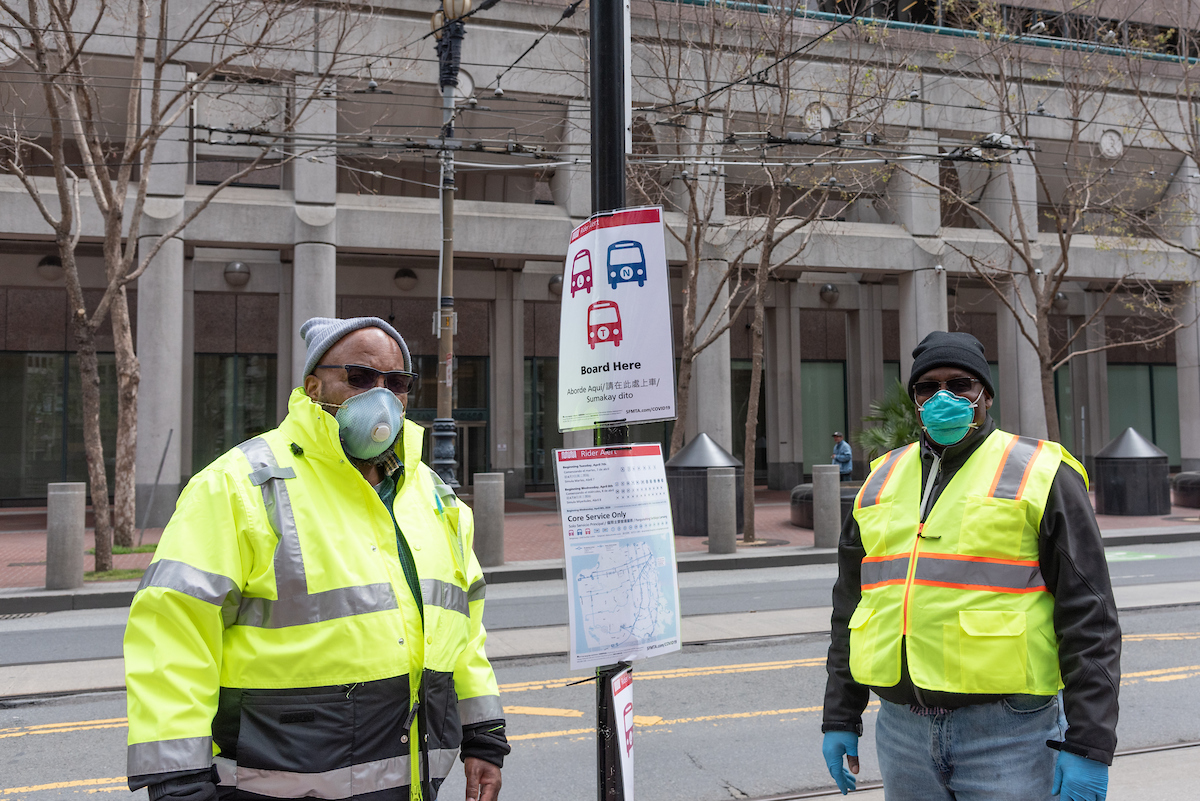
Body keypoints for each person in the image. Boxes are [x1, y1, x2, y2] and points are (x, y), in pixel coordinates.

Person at [124, 316, 509, 801]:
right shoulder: (238, 485)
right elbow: (173, 633)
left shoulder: (432, 496)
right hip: (273, 785)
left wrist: (483, 736)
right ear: (313, 386)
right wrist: (177, 780)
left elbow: (463, 629)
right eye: (361, 377)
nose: (382, 395)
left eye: (398, 383)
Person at [821, 331, 1120, 801]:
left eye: (960, 385)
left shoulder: (1043, 472)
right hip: (901, 735)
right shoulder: (880, 478)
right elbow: (852, 608)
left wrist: (1089, 743)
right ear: (915, 399)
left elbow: (1091, 617)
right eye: (927, 388)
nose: (944, 397)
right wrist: (840, 715)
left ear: (986, 395)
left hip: (1010, 734)